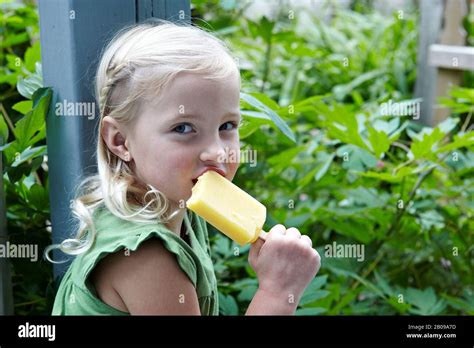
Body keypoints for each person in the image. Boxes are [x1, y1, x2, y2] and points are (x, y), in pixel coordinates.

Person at [48, 20, 320, 315]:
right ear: (120, 141)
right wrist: (278, 292)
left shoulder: (176, 206)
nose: (216, 151)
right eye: (184, 128)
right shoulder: (145, 256)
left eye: (227, 125)